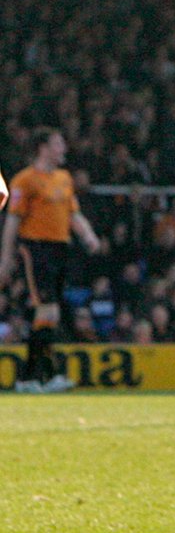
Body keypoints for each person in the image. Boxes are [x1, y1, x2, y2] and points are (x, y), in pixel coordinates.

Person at [0, 128, 101, 391]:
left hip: (60, 250)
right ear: (43, 148)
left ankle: (34, 377)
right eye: (58, 144)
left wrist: (88, 235)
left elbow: (72, 213)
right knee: (48, 311)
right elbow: (13, 221)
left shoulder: (64, 178)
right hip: (35, 250)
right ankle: (39, 376)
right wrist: (5, 259)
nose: (64, 148)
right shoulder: (25, 180)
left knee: (48, 316)